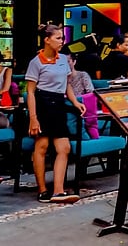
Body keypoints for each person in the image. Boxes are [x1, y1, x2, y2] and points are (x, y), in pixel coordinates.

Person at [27, 24, 85, 204]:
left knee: (64, 147)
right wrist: (33, 118)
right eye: (58, 38)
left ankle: (58, 190)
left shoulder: (63, 60)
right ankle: (43, 190)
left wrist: (75, 102)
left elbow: (66, 84)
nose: (62, 41)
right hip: (43, 102)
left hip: (59, 103)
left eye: (62, 38)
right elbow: (30, 92)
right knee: (42, 146)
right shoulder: (36, 62)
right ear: (47, 39)